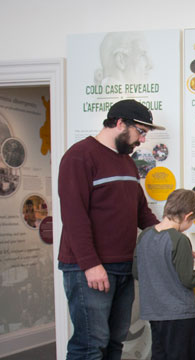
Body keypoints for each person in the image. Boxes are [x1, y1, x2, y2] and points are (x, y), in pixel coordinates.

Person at [57, 99, 165, 359]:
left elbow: (141, 212)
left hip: (123, 267)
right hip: (90, 269)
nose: (141, 140)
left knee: (116, 342)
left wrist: (169, 238)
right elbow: (74, 216)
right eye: (140, 131)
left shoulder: (127, 162)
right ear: (119, 123)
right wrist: (91, 265)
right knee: (90, 345)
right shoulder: (79, 156)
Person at [133, 189, 195, 360]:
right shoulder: (180, 240)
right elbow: (189, 279)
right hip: (178, 315)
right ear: (188, 216)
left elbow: (137, 272)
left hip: (153, 312)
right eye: (193, 221)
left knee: (159, 355)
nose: (190, 225)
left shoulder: (145, 235)